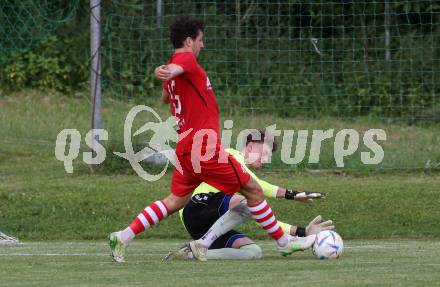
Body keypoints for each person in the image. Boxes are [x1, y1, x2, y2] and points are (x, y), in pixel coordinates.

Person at [110, 16, 313, 263]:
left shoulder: (180, 73)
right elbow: (178, 65)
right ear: (188, 41)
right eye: (200, 40)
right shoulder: (186, 61)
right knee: (252, 190)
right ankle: (285, 243)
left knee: (175, 201)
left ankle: (123, 236)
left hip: (185, 147)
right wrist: (169, 70)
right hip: (203, 147)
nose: (202, 45)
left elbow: (165, 97)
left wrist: (166, 73)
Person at [164, 131, 331, 260]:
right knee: (248, 201)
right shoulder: (232, 155)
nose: (265, 160)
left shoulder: (245, 188)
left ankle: (192, 252)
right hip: (194, 209)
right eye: (264, 153)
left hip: (206, 228)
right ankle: (202, 244)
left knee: (253, 251)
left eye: (268, 157)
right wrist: (293, 194)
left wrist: (304, 231)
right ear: (250, 147)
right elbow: (260, 187)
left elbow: (265, 219)